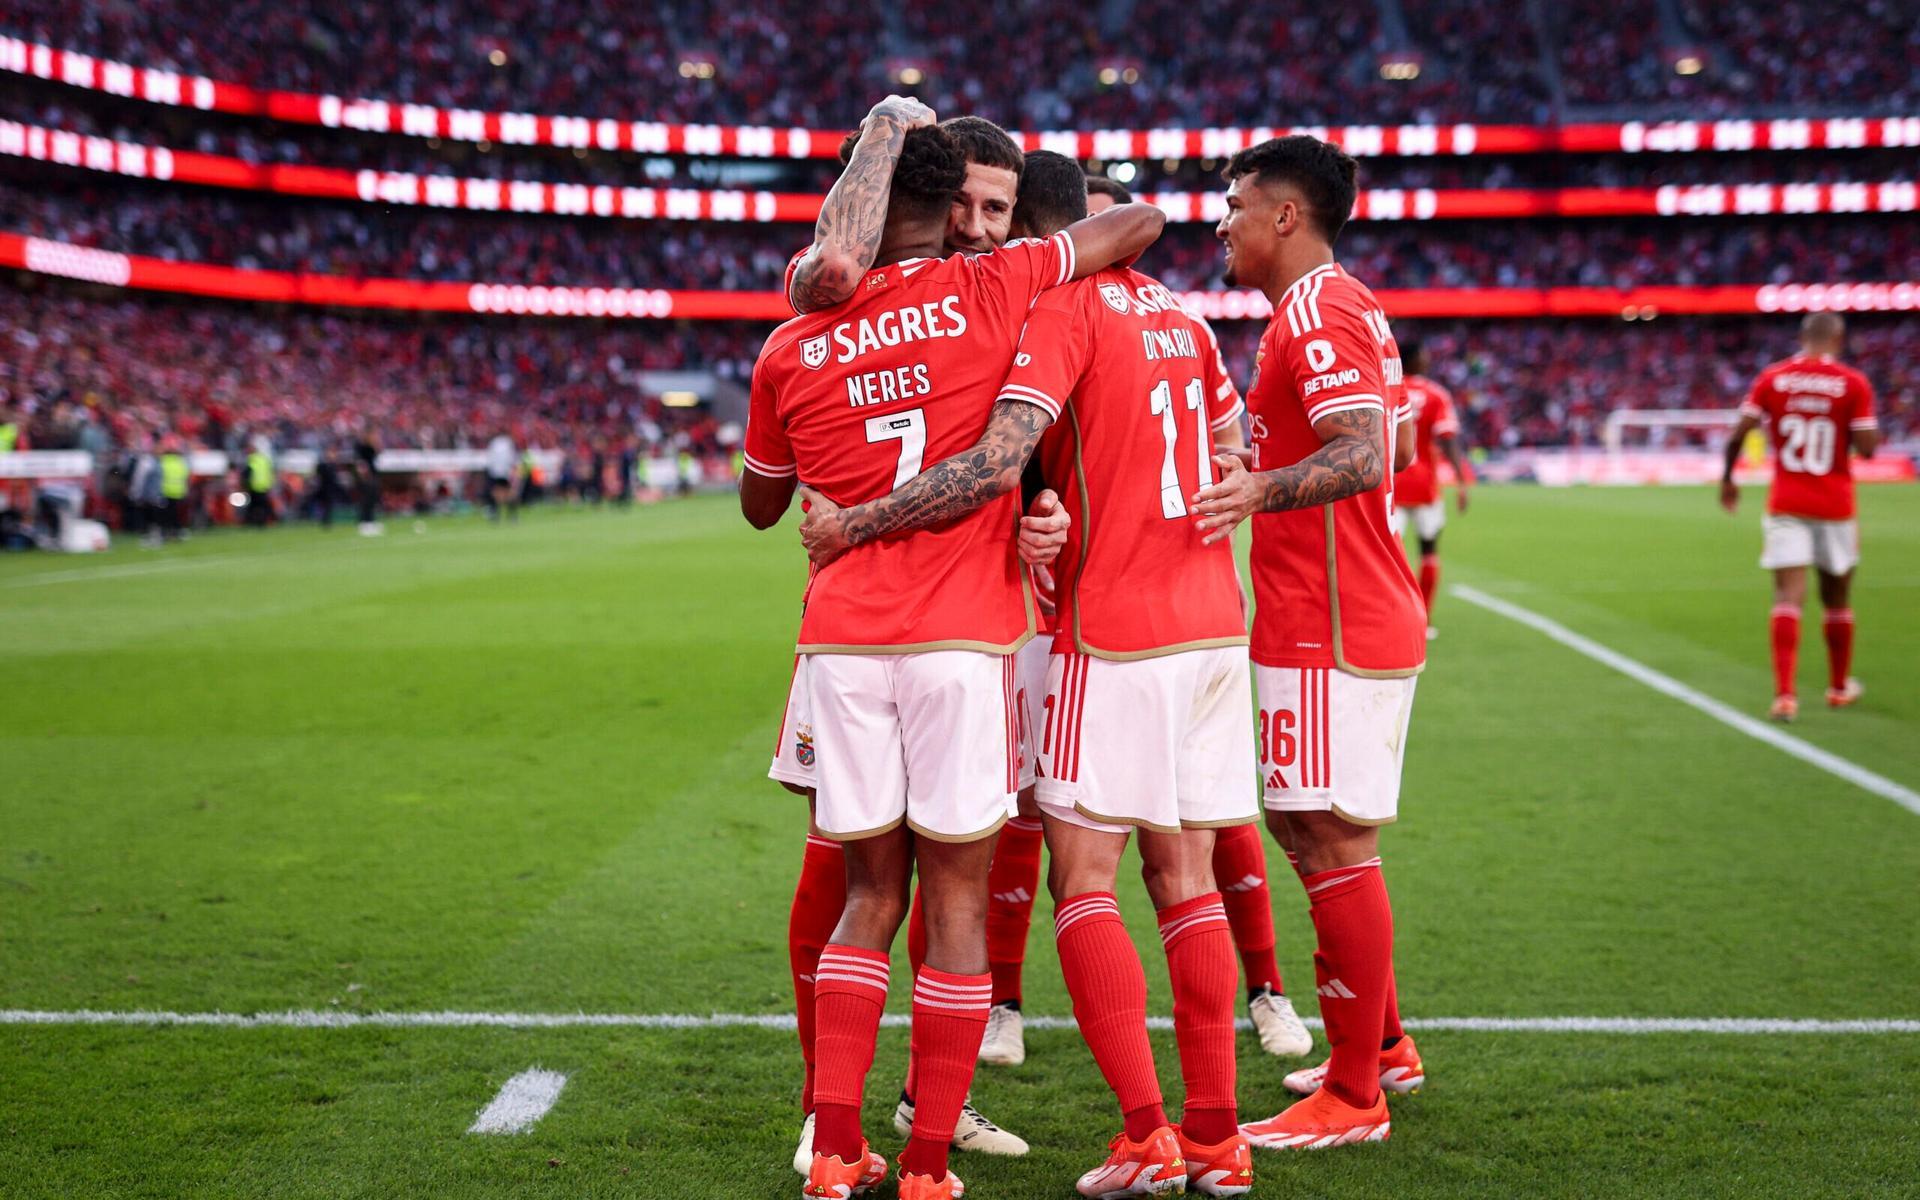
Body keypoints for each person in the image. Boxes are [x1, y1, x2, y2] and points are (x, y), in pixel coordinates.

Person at [797, 150, 1258, 1197]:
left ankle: (1147, 1134)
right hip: (1214, 625)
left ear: (1040, 233)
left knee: (1079, 880)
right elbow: (1232, 452)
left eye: (1003, 217)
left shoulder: (1057, 310)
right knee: (1185, 879)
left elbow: (1001, 459)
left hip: (1114, 629)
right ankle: (1219, 1138)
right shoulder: (1186, 319)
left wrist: (859, 523)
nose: (982, 232)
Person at [741, 117, 1165, 1200]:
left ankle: (834, 1150)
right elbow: (1135, 223)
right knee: (960, 903)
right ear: (951, 209)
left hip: (839, 641)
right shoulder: (1000, 290)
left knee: (863, 893)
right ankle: (926, 1163)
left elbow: (760, 504)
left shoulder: (790, 339)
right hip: (961, 643)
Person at [772, 103, 1053, 1172]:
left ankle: (918, 1108)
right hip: (902, 623)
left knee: (933, 881)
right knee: (855, 875)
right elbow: (827, 271)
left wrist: (1049, 506)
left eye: (1002, 209)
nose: (982, 224)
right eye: (969, 204)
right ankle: (825, 1109)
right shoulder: (955, 285)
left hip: (975, 609)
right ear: (934, 203)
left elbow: (1049, 448)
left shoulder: (1026, 293)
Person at [1192, 135, 1428, 1149]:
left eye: (1237, 204)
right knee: (1308, 830)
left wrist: (1258, 487)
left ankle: (1353, 1096)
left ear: (1285, 216)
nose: (1222, 222)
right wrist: (1263, 453)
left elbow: (1370, 451)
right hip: (1327, 611)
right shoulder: (1331, 306)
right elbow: (1396, 434)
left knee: (1331, 837)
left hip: (1332, 622)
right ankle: (1382, 1050)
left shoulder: (1318, 309)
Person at [1719, 312, 1879, 722]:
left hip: (1788, 501)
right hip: (1835, 505)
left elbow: (1739, 432)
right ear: (1838, 339)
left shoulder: (1773, 378)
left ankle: (1786, 695)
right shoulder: (1853, 383)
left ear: (1802, 338)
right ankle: (1839, 687)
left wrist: (1728, 479)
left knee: (1788, 598)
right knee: (1836, 600)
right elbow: (1868, 448)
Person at [1391, 342, 1471, 636]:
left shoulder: (1386, 387)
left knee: (1389, 556)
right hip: (1425, 487)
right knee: (1429, 551)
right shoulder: (1436, 394)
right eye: (1424, 354)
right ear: (1415, 359)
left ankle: (1395, 617)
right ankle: (1422, 619)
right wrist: (1462, 482)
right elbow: (1448, 438)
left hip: (1392, 485)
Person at [485, 428, 518, 523]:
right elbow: (512, 458)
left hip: (495, 472)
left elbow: (490, 458)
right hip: (506, 472)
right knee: (510, 493)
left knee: (497, 494)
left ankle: (496, 515)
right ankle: (512, 516)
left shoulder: (494, 443)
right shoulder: (508, 443)